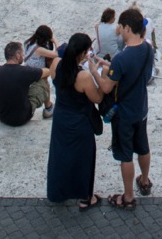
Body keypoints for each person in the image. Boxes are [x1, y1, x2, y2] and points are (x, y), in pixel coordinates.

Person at [98, 8, 153, 210]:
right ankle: (145, 181)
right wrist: (111, 66)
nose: (118, 30)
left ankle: (128, 196)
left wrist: (98, 72)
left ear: (127, 28)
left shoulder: (121, 59)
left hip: (124, 114)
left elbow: (106, 87)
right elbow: (144, 76)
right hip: (142, 109)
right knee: (143, 146)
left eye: (120, 27)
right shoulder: (148, 49)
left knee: (126, 155)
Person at [46, 32, 107, 210]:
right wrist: (98, 74)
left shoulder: (56, 64)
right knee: (83, 160)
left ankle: (58, 192)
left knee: (60, 157)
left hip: (61, 119)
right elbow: (97, 98)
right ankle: (86, 198)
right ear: (82, 53)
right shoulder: (84, 77)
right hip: (80, 123)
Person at [0, 40, 56, 127]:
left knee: (0, 84)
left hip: (1, 116)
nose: (23, 55)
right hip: (22, 118)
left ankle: (0, 106)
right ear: (17, 55)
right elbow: (47, 72)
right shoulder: (25, 71)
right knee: (43, 80)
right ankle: (49, 109)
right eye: (22, 53)